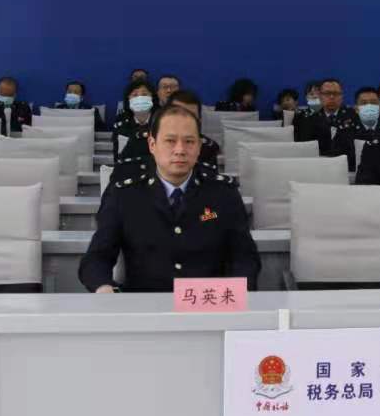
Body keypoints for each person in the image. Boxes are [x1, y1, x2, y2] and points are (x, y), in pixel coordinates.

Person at [79, 103, 259, 293]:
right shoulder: (124, 195)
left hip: (207, 302)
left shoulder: (223, 194)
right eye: (170, 141)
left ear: (199, 146)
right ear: (152, 145)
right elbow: (96, 258)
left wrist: (237, 293)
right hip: (146, 304)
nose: (180, 150)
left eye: (189, 141)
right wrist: (104, 288)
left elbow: (245, 258)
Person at [293, 78, 358, 168]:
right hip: (316, 166)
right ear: (320, 96)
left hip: (348, 166)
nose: (331, 97)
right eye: (327, 93)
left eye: (336, 93)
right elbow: (304, 148)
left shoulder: (353, 116)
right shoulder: (308, 119)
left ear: (342, 97)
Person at [114, 80, 158, 165]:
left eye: (144, 94)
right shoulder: (121, 125)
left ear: (152, 97)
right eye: (135, 95)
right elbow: (118, 158)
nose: (140, 98)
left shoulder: (161, 122)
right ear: (128, 100)